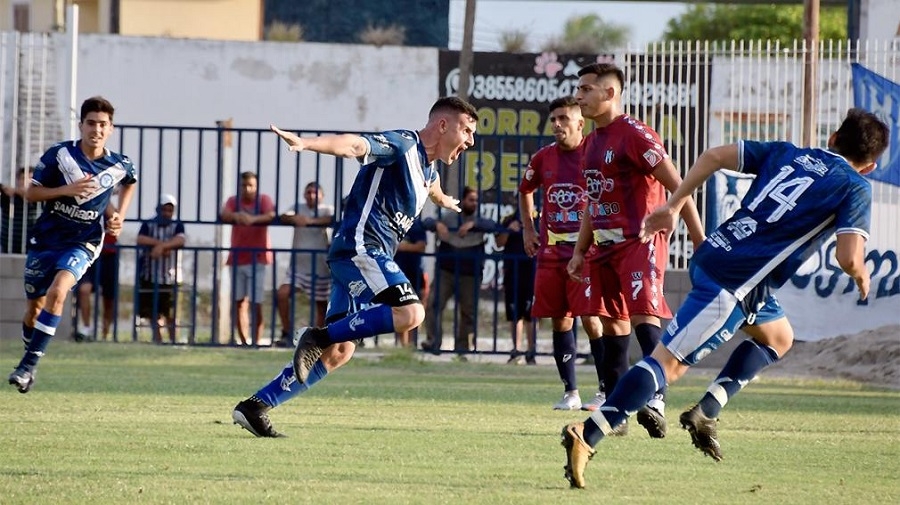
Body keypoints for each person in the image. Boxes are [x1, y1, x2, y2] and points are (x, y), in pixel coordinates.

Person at [560, 108, 889, 489]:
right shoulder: (855, 186)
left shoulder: (788, 152)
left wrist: (673, 204)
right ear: (869, 166)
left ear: (832, 138)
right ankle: (588, 432)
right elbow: (848, 257)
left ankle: (706, 411)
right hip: (734, 283)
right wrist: (860, 273)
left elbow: (712, 156)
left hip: (715, 255)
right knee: (668, 365)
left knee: (778, 337)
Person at [231, 96, 477, 437]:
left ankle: (255, 406)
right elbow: (355, 145)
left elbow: (431, 186)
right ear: (444, 125)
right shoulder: (402, 144)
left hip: (365, 258)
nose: (470, 141)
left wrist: (443, 199)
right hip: (360, 248)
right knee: (411, 313)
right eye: (467, 131)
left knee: (340, 352)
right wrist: (306, 143)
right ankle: (316, 336)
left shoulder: (429, 169)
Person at [566, 63, 705, 436]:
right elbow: (593, 201)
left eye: (586, 89)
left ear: (609, 93)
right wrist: (580, 250)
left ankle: (656, 398)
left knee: (645, 316)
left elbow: (680, 185)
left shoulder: (636, 135)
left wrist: (699, 242)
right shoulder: (590, 143)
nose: (579, 96)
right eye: (578, 89)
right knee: (613, 325)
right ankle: (617, 412)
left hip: (639, 240)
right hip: (604, 247)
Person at [7, 96, 137, 393]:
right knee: (34, 309)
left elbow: (130, 181)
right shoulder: (60, 155)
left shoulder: (118, 164)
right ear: (81, 125)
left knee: (59, 291)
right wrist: (66, 189)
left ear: (111, 129)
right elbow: (32, 194)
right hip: (46, 239)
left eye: (102, 125)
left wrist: (119, 215)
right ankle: (29, 356)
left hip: (83, 242)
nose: (96, 130)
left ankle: (27, 367)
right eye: (91, 123)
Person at [518, 97, 608, 412]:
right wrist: (528, 229)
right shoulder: (543, 157)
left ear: (580, 123)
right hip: (552, 250)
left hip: (587, 251)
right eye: (554, 119)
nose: (557, 125)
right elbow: (525, 190)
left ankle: (605, 390)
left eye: (564, 119)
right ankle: (571, 391)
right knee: (560, 319)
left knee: (591, 318)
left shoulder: (594, 153)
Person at [419, 186, 502, 358]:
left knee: (468, 311)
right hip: (446, 270)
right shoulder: (449, 216)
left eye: (476, 200)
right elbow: (426, 221)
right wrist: (437, 224)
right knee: (434, 304)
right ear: (463, 200)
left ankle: (463, 347)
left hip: (470, 272)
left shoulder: (479, 218)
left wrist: (474, 224)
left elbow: (493, 226)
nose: (474, 203)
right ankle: (433, 341)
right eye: (471, 200)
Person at [274, 181, 334, 347]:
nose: (311, 196)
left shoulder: (327, 209)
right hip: (298, 268)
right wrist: (295, 218)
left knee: (321, 306)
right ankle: (287, 333)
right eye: (308, 192)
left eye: (315, 193)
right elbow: (283, 216)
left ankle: (316, 341)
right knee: (282, 293)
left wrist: (310, 221)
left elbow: (331, 219)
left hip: (320, 268)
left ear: (322, 196)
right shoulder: (297, 207)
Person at [220, 171, 275, 346]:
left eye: (251, 185)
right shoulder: (233, 201)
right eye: (244, 185)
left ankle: (256, 342)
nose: (247, 189)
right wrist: (236, 216)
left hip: (258, 257)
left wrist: (253, 219)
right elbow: (224, 214)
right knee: (239, 302)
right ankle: (244, 342)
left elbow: (271, 215)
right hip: (237, 257)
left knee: (256, 302)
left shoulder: (263, 200)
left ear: (256, 186)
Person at [136, 193, 186, 344]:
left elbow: (181, 240)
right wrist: (160, 245)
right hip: (150, 275)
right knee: (153, 312)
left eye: (170, 210)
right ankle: (158, 340)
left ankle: (173, 341)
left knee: (171, 312)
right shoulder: (148, 224)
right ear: (158, 209)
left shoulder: (177, 225)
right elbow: (140, 239)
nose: (166, 213)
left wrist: (162, 247)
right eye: (164, 209)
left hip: (171, 277)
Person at [495, 207, 536, 365]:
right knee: (514, 313)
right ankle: (516, 350)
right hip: (512, 270)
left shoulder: (539, 218)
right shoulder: (508, 219)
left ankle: (531, 351)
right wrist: (508, 230)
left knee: (531, 313)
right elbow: (499, 243)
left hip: (531, 269)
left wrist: (530, 230)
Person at [74, 232, 119, 341]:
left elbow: (116, 227)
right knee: (84, 289)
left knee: (109, 298)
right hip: (88, 250)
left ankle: (105, 333)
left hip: (109, 252)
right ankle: (87, 328)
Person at [393, 216, 428, 347]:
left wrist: (401, 247)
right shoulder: (391, 222)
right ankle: (403, 344)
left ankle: (412, 343)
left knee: (416, 307)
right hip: (396, 271)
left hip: (414, 271)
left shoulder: (416, 224)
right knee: (400, 306)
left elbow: (421, 246)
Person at [0, 167, 39, 254]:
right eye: (23, 178)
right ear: (17, 181)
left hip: (34, 249)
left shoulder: (40, 199)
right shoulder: (8, 198)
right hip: (9, 249)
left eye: (30, 178)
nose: (27, 181)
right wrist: (7, 188)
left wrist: (22, 192)